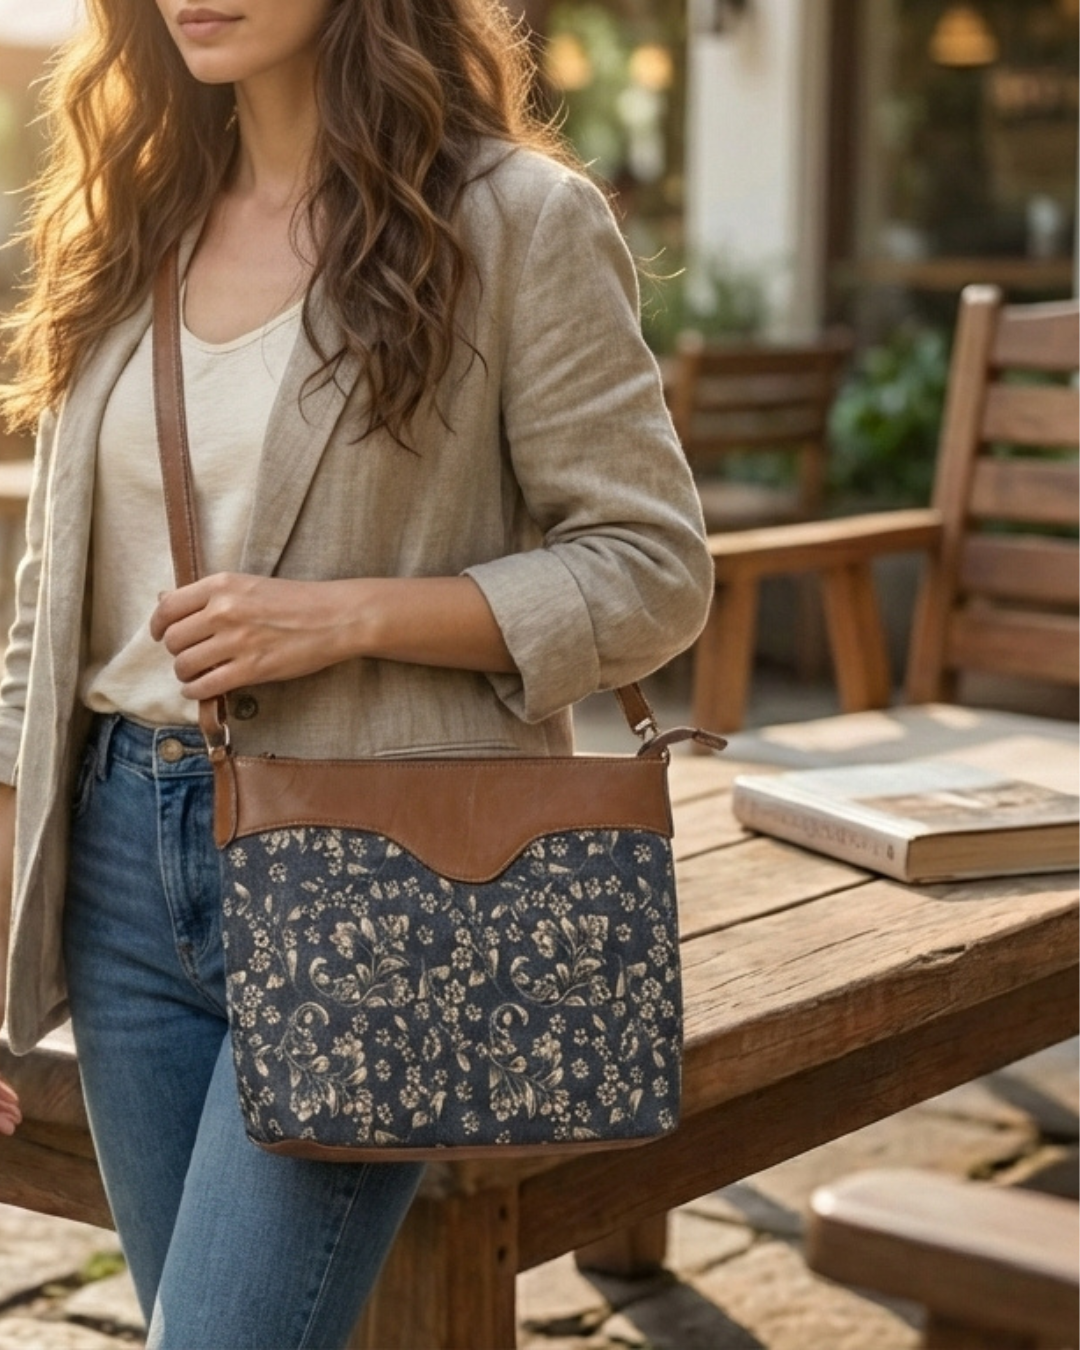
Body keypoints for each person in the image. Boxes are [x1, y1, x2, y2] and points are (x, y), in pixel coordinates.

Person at [0, 0, 712, 1346]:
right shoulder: (127, 219)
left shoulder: (516, 221)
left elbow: (653, 569)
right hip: (116, 878)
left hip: (379, 886)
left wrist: (345, 617)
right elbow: (47, 627)